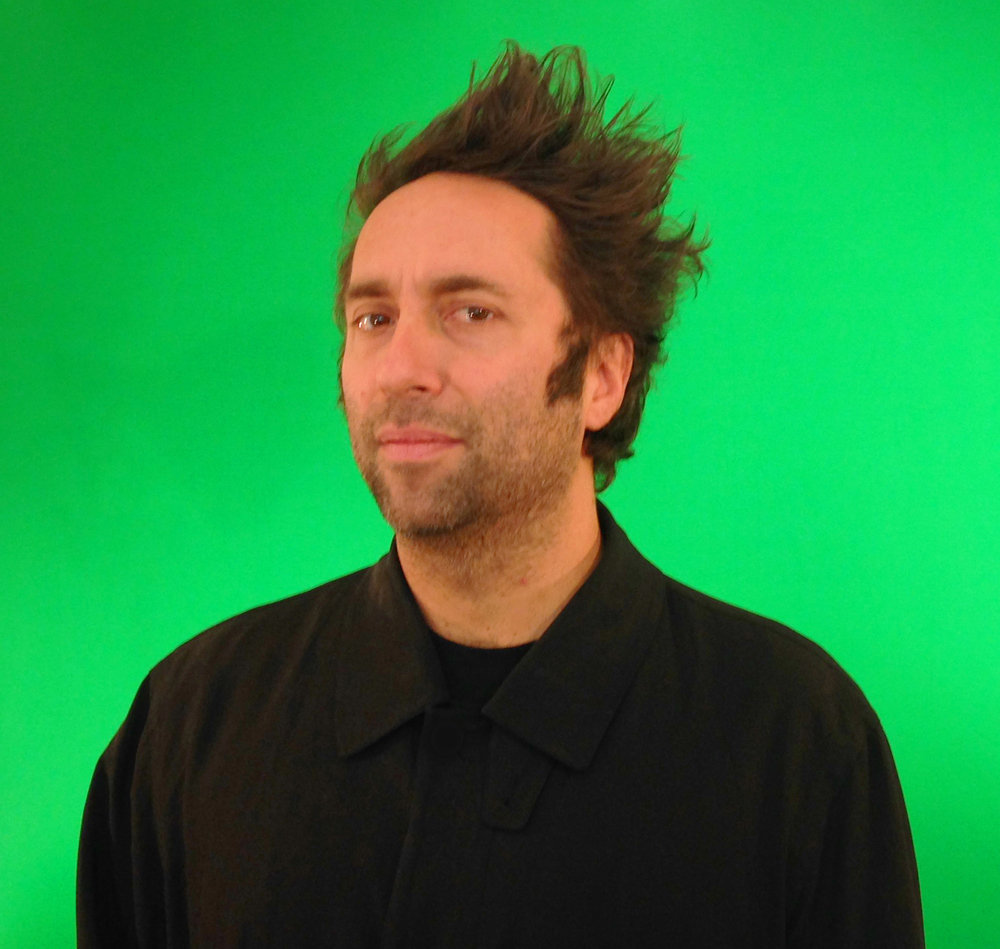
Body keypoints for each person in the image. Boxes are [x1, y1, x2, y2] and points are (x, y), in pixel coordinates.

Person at [78, 43, 924, 948]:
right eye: (373, 318)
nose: (401, 367)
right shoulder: (189, 730)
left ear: (601, 376)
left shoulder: (796, 742)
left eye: (471, 311)